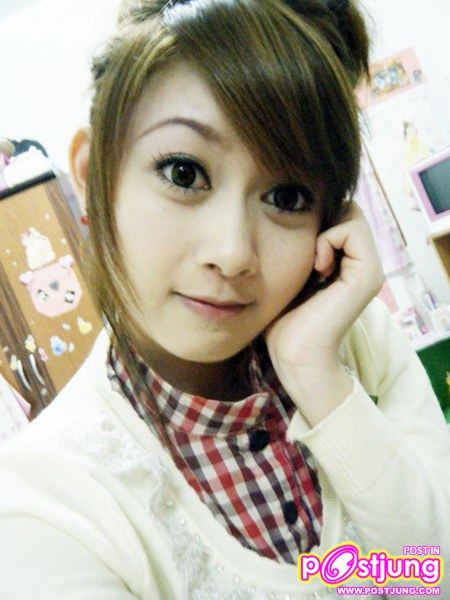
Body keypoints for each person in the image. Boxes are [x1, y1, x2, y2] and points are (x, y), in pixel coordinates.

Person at [0, 1, 449, 598]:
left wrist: (317, 377)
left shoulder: (358, 345)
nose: (233, 253)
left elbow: (433, 573)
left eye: (287, 197)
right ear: (90, 176)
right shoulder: (46, 508)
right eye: (183, 173)